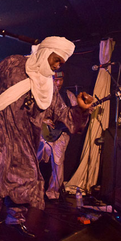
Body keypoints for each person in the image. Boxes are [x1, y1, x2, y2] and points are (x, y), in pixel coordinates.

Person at [0, 37, 93, 236]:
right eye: (56, 59)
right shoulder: (13, 63)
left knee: (31, 181)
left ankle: (17, 221)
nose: (57, 66)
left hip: (24, 142)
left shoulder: (47, 87)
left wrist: (82, 110)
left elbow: (66, 117)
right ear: (46, 52)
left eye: (61, 63)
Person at [38, 71, 78, 200]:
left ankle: (53, 193)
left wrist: (83, 112)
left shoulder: (68, 96)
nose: (58, 83)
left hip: (61, 134)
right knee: (35, 158)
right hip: (44, 132)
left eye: (61, 79)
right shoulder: (42, 94)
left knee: (58, 162)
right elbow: (32, 112)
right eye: (55, 80)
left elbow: (76, 116)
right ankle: (33, 190)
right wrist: (43, 120)